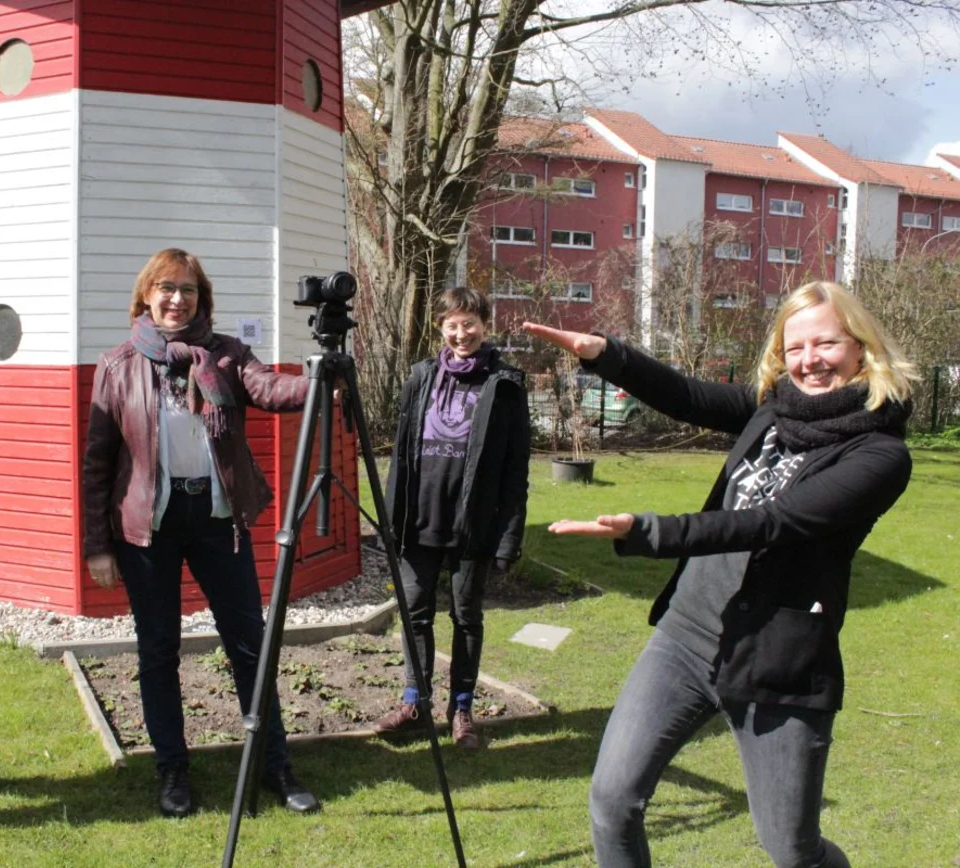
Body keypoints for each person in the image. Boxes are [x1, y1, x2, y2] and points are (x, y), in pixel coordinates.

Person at [526, 281, 917, 867]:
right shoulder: (774, 409)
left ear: (861, 346)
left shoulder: (880, 456)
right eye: (795, 347)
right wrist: (605, 353)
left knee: (792, 850)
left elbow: (772, 523)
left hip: (775, 661)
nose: (809, 360)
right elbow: (688, 396)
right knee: (613, 802)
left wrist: (649, 532)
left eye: (826, 343)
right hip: (685, 639)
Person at [82, 248, 320, 818]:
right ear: (146, 295)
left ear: (201, 298)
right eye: (166, 287)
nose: (176, 298)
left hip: (216, 522)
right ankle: (172, 773)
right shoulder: (117, 365)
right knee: (158, 650)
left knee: (249, 646)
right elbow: (97, 463)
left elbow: (268, 389)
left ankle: (273, 765)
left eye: (187, 289)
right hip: (149, 528)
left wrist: (318, 379)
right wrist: (96, 545)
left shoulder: (227, 356)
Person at [372, 286, 530, 750]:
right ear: (440, 328)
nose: (462, 333)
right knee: (414, 613)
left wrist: (509, 536)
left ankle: (461, 710)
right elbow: (401, 455)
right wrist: (390, 519)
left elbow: (516, 469)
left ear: (485, 323)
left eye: (470, 323)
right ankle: (414, 703)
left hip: (472, 526)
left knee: (466, 618)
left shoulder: (505, 384)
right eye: (452, 325)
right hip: (419, 521)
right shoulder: (421, 377)